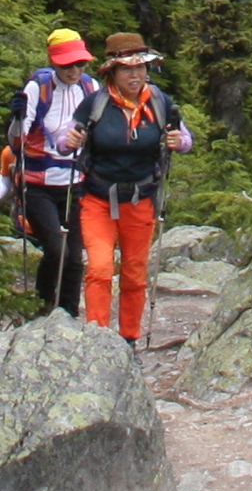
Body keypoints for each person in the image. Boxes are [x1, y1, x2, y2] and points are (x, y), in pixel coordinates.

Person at [77, 32, 193, 344]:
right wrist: (68, 140)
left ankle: (128, 339)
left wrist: (179, 142)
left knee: (134, 274)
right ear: (112, 72)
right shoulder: (96, 103)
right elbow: (66, 139)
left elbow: (185, 139)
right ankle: (96, 339)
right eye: (128, 68)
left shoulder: (159, 102)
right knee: (100, 269)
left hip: (141, 200)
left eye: (140, 68)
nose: (135, 74)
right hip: (98, 199)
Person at [5, 28, 98, 316]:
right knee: (57, 250)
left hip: (74, 182)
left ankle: (68, 313)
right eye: (67, 64)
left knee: (74, 258)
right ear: (54, 62)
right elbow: (16, 141)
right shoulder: (38, 88)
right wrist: (17, 118)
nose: (74, 70)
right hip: (37, 183)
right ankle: (44, 305)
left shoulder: (90, 88)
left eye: (79, 64)